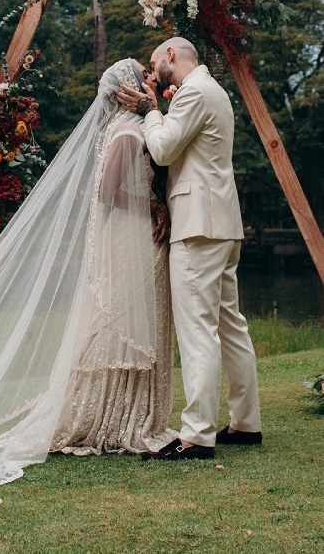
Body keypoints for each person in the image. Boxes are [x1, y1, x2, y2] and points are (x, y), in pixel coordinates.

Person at [0, 58, 176, 495]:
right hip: (129, 232)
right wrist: (154, 206)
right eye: (144, 73)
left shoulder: (129, 127)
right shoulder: (125, 132)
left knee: (133, 318)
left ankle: (126, 412)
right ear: (130, 86)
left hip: (136, 232)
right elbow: (107, 192)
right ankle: (108, 418)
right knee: (120, 321)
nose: (151, 77)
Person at [116, 38, 262, 460]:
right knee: (230, 325)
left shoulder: (195, 91)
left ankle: (198, 434)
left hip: (199, 225)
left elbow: (162, 149)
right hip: (220, 223)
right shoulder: (210, 90)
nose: (152, 68)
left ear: (172, 57)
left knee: (198, 330)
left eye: (154, 61)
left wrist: (150, 112)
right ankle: (246, 424)